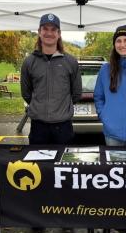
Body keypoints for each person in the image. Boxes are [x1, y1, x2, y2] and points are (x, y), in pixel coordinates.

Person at [21, 13, 82, 144]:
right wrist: (40, 107)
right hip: (38, 128)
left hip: (63, 128)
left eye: (53, 29)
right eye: (45, 29)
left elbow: (76, 94)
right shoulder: (29, 62)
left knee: (62, 164)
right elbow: (26, 93)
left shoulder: (70, 62)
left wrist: (61, 109)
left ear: (59, 34)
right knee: (38, 164)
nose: (49, 33)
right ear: (39, 32)